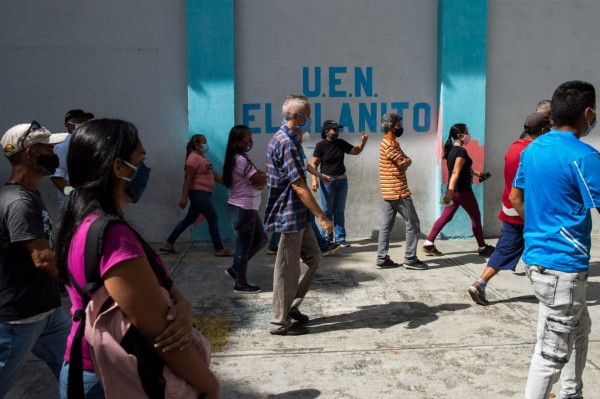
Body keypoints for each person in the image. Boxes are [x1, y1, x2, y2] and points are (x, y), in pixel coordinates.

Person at [55, 119, 219, 398]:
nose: (144, 170)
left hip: (87, 370)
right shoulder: (112, 236)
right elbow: (161, 335)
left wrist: (183, 305)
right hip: (114, 376)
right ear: (119, 167)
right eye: (139, 159)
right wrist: (209, 385)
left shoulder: (80, 222)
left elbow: (161, 295)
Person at [511, 81, 600, 399]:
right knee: (550, 356)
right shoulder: (585, 156)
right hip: (564, 267)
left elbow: (515, 197)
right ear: (588, 113)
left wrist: (539, 229)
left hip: (537, 259)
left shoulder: (533, 149)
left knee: (579, 327)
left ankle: (572, 392)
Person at [0, 121, 71, 397]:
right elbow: (42, 259)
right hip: (21, 319)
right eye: (47, 148)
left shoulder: (30, 193)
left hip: (49, 312)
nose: (53, 153)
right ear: (30, 154)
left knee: (77, 370)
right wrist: (82, 283)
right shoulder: (18, 202)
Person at [264, 95, 333, 336]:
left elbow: (302, 166)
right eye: (307, 116)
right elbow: (299, 185)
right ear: (295, 117)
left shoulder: (293, 140)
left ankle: (291, 305)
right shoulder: (285, 141)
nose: (309, 121)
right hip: (289, 212)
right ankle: (278, 322)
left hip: (299, 213)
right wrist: (322, 217)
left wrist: (319, 175)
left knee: (312, 256)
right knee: (286, 268)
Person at [467, 112, 551, 306]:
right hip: (527, 210)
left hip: (511, 207)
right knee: (543, 247)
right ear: (544, 131)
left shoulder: (514, 147)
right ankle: (547, 289)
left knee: (505, 249)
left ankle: (480, 282)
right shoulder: (534, 151)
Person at [422, 123, 495, 257]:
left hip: (453, 192)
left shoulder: (451, 150)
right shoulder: (461, 151)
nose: (468, 135)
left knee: (445, 217)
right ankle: (482, 247)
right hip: (462, 192)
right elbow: (456, 171)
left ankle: (428, 243)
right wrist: (450, 191)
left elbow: (462, 169)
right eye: (466, 132)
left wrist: (477, 173)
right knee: (475, 217)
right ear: (460, 135)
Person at [162, 134, 232, 256]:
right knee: (212, 218)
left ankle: (169, 242)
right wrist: (184, 197)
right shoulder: (193, 158)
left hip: (203, 194)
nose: (206, 145)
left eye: (206, 142)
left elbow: (212, 174)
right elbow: (187, 179)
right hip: (199, 194)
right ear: (196, 144)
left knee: (189, 219)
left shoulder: (202, 157)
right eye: (204, 143)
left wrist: (226, 183)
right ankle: (219, 249)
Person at [376, 113, 428, 270]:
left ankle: (381, 258)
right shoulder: (389, 145)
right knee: (413, 223)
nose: (400, 127)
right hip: (398, 190)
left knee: (385, 226)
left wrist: (405, 161)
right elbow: (403, 163)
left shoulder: (392, 143)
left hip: (388, 190)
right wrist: (405, 162)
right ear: (391, 126)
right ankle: (410, 259)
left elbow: (406, 160)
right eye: (398, 125)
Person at [222, 125, 268, 294]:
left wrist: (260, 176)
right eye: (247, 138)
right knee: (244, 246)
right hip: (242, 209)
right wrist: (265, 175)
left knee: (261, 239)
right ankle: (240, 283)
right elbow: (259, 179)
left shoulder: (237, 158)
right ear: (238, 142)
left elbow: (256, 177)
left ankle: (236, 269)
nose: (250, 141)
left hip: (244, 208)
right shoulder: (240, 160)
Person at [311, 120, 368, 247]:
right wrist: (314, 180)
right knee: (327, 211)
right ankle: (327, 238)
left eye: (338, 130)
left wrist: (363, 142)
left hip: (342, 181)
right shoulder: (321, 146)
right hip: (327, 182)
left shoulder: (341, 143)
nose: (337, 132)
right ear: (327, 131)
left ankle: (341, 238)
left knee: (339, 211)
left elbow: (355, 151)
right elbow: (314, 163)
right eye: (334, 130)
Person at [51, 109, 95, 207]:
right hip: (72, 205)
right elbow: (57, 178)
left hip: (91, 203)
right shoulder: (62, 147)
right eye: (79, 121)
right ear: (68, 125)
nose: (84, 124)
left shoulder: (90, 144)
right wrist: (73, 196)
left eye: (85, 121)